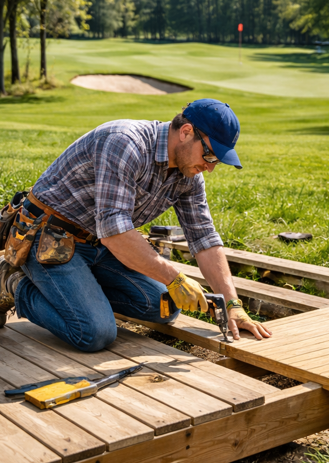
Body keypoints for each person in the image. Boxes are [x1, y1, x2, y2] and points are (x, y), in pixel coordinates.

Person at [0, 98, 272, 352]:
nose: (210, 167)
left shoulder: (188, 177)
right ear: (186, 131)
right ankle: (11, 282)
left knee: (165, 307)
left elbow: (204, 239)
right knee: (94, 332)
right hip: (51, 238)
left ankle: (81, 294)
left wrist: (233, 304)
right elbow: (116, 233)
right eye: (210, 156)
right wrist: (174, 278)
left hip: (98, 243)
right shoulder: (125, 143)